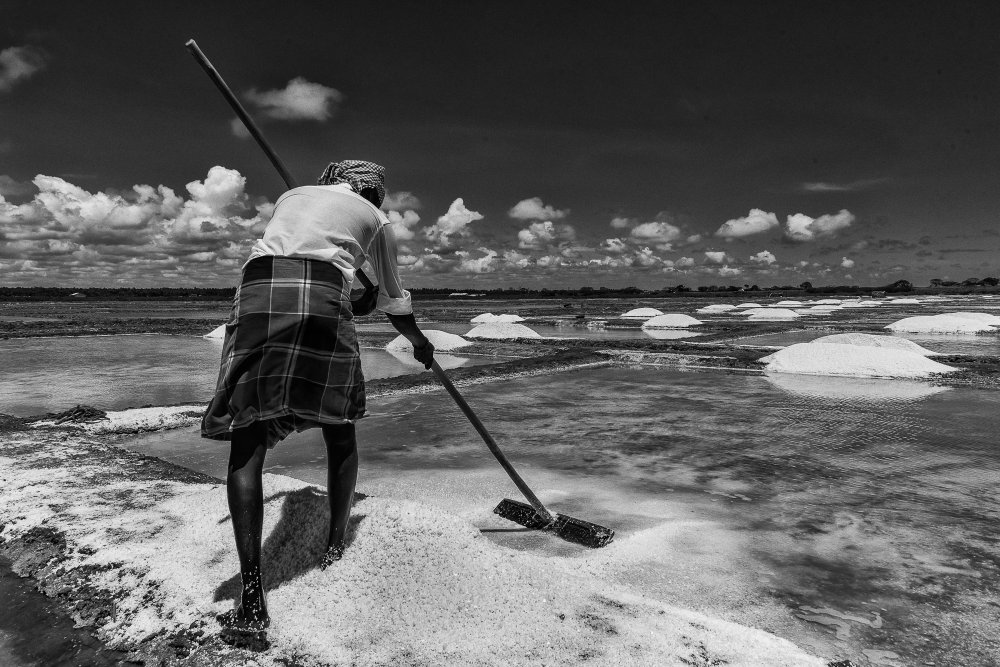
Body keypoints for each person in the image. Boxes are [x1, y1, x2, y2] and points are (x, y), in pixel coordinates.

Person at [201, 160, 434, 636]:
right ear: (373, 192)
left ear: (331, 181)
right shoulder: (378, 221)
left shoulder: (293, 198)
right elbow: (394, 300)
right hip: (323, 292)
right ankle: (334, 544)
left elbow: (326, 272)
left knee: (249, 438)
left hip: (260, 290)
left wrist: (357, 293)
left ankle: (250, 593)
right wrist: (420, 342)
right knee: (340, 426)